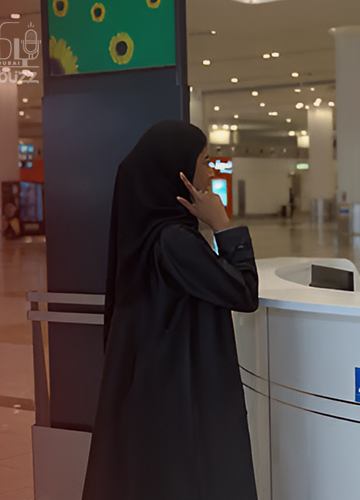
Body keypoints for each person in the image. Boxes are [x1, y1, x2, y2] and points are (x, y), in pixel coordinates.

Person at [82, 121, 259, 500]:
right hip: (177, 398)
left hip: (152, 389)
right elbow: (243, 293)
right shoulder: (174, 240)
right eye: (205, 160)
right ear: (179, 171)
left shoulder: (144, 231)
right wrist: (223, 225)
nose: (210, 171)